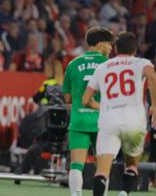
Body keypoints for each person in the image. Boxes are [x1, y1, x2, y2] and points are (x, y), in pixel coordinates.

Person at [82, 32, 156, 196]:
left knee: (102, 170)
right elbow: (152, 76)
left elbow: (85, 100)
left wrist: (104, 106)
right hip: (133, 120)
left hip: (109, 120)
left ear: (115, 48)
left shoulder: (102, 67)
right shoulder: (141, 62)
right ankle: (124, 193)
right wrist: (154, 107)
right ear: (135, 49)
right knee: (131, 165)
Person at [62, 26, 114, 196]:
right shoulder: (109, 65)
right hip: (103, 123)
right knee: (103, 167)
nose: (111, 48)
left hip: (79, 121)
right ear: (100, 45)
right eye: (109, 44)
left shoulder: (73, 63)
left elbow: (67, 98)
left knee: (76, 165)